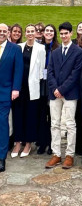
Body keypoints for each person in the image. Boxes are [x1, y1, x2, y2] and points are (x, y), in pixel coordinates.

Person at [46, 22, 82, 170]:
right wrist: (55, 88)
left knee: (70, 124)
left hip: (70, 93)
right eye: (61, 34)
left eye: (66, 33)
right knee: (54, 124)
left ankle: (69, 155)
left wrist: (62, 89)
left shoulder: (78, 52)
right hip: (54, 93)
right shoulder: (54, 52)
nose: (63, 36)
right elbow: (50, 71)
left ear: (71, 34)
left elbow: (75, 74)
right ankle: (56, 154)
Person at [10, 24, 45, 159]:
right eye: (28, 31)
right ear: (25, 33)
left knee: (30, 116)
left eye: (33, 31)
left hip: (33, 87)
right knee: (18, 115)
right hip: (19, 86)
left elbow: (42, 69)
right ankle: (18, 143)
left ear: (36, 33)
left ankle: (28, 144)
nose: (30, 33)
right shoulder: (19, 47)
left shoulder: (40, 48)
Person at [0, 24, 22, 172]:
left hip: (5, 92)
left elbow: (18, 70)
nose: (1, 33)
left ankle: (1, 157)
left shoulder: (15, 49)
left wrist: (15, 88)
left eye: (4, 31)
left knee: (2, 123)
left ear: (8, 33)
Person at [36, 24, 58, 155]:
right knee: (41, 114)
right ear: (44, 33)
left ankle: (51, 143)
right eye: (47, 31)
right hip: (40, 84)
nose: (49, 33)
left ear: (54, 34)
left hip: (51, 84)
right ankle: (41, 142)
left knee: (52, 116)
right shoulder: (39, 47)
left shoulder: (57, 48)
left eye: (51, 31)